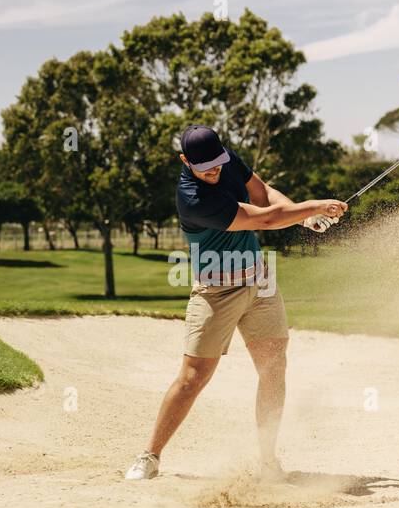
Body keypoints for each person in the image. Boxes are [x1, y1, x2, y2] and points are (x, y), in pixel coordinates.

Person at [125, 124, 347, 481]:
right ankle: (150, 455)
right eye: (205, 167)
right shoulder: (193, 198)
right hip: (216, 291)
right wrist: (311, 208)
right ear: (185, 161)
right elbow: (264, 218)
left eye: (218, 162)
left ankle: (267, 462)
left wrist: (301, 215)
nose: (214, 170)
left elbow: (264, 195)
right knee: (193, 378)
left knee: (274, 369)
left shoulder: (225, 161)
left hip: (259, 283)